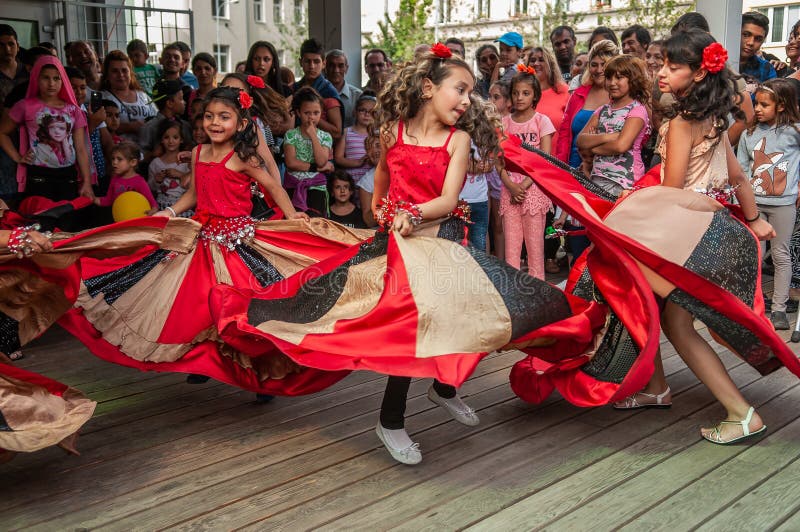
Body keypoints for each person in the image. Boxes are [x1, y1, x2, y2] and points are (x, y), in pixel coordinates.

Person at [210, 45, 608, 465]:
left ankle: (444, 389)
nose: (467, 99)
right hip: (399, 248)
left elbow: (449, 198)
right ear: (427, 87)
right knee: (409, 331)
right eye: (460, 88)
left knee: (473, 319)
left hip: (446, 241)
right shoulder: (392, 133)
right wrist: (385, 213)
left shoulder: (459, 140)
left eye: (471, 92)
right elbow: (379, 193)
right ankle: (391, 421)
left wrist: (413, 213)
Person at [613, 30, 778, 445]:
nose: (661, 72)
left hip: (687, 237)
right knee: (658, 310)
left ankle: (740, 412)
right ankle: (656, 387)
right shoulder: (714, 120)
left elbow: (670, 194)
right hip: (718, 231)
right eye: (661, 64)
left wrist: (627, 208)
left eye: (673, 66)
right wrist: (756, 221)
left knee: (667, 318)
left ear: (700, 72)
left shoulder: (682, 124)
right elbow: (738, 177)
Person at [738, 78, 800, 330]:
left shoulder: (794, 132)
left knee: (781, 255)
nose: (759, 109)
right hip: (754, 205)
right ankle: (755, 306)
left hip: (783, 205)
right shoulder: (748, 134)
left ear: (782, 105)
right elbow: (741, 169)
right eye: (757, 104)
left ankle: (779, 310)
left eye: (765, 104)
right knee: (756, 254)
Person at [0, 55, 95, 209]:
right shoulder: (25, 106)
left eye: (56, 78)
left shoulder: (74, 110)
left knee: (67, 224)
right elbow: (2, 133)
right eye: (46, 78)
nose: (51, 83)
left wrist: (87, 182)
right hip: (39, 177)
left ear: (63, 81)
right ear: (36, 79)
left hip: (68, 176)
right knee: (42, 222)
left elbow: (81, 149)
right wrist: (18, 158)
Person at [555, 40, 617, 263]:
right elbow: (564, 131)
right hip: (573, 168)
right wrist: (560, 168)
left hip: (604, 172)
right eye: (594, 64)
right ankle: (577, 280)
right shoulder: (580, 93)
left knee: (600, 231)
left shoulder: (618, 96)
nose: (599, 69)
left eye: (604, 64)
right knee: (575, 231)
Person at [500, 66, 554, 280]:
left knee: (535, 249)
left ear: (535, 96)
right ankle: (514, 297)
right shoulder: (504, 124)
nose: (519, 97)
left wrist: (523, 185)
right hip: (509, 189)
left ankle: (537, 293)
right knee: (512, 250)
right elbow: (498, 160)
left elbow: (545, 160)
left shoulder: (542, 121)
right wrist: (510, 185)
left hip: (533, 190)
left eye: (525, 93)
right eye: (515, 93)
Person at [576, 55, 651, 197]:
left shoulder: (637, 110)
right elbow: (580, 140)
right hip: (597, 177)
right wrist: (610, 136)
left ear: (633, 80)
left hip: (625, 182)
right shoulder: (602, 110)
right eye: (609, 78)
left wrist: (592, 148)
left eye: (619, 78)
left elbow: (621, 146)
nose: (612, 83)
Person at [284, 87, 334, 216]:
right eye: (307, 113)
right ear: (298, 113)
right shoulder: (291, 134)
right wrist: (316, 168)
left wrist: (313, 136)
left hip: (317, 187)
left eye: (316, 113)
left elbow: (322, 161)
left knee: (316, 223)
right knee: (295, 223)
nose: (311, 117)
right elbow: (291, 163)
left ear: (321, 113)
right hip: (293, 185)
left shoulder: (325, 136)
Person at [100, 50, 157, 142]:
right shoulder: (102, 98)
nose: (121, 75)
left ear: (130, 72)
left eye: (124, 70)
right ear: (107, 75)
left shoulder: (143, 96)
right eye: (115, 71)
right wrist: (128, 127)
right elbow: (98, 127)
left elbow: (157, 120)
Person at [292, 38, 343, 140]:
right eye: (307, 61)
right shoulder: (293, 89)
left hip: (321, 151)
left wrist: (310, 115)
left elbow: (337, 132)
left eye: (316, 61)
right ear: (300, 62)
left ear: (324, 64)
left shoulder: (328, 91)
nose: (312, 66)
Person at [95, 141, 157, 211]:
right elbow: (108, 201)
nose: (114, 162)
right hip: (118, 219)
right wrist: (92, 198)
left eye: (119, 159)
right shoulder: (114, 179)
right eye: (113, 158)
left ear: (133, 162)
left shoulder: (140, 182)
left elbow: (153, 205)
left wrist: (152, 211)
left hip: (135, 219)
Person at [148, 121, 191, 217]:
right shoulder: (155, 163)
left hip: (182, 207)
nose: (171, 141)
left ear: (181, 139)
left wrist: (180, 175)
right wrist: (156, 181)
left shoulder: (187, 162)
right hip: (161, 206)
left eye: (175, 137)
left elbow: (193, 187)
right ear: (161, 140)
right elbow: (150, 188)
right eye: (166, 137)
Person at [139, 78, 190, 160]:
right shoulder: (149, 128)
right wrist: (152, 154)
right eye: (181, 98)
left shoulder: (185, 126)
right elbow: (140, 157)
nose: (184, 102)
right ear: (170, 103)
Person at [334, 92, 376, 184]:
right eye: (362, 110)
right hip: (351, 181)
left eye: (371, 112)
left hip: (371, 183)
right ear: (355, 112)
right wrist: (357, 162)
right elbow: (338, 158)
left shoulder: (377, 135)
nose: (366, 114)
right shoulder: (346, 132)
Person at [325, 49, 362, 129]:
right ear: (325, 67)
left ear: (346, 68)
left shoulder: (358, 96)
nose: (336, 70)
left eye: (341, 66)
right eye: (332, 65)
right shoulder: (317, 93)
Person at [740, 11, 777, 89]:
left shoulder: (766, 69)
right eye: (746, 35)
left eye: (758, 39)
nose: (751, 43)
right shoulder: (717, 63)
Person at [356, 132, 381, 227]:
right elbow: (368, 221)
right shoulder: (366, 181)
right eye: (369, 149)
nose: (374, 151)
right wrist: (387, 207)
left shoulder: (401, 170)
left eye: (378, 145)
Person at [0, 24, 27, 107]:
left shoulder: (29, 71)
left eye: (11, 44)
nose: (7, 49)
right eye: (1, 45)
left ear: (18, 46)